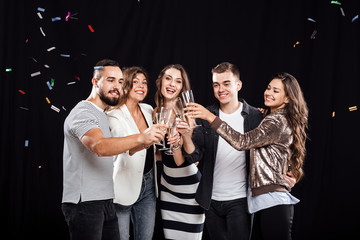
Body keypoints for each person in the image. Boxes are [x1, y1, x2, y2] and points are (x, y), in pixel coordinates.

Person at [186, 72, 308, 240]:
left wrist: (209, 117)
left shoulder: (276, 121)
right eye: (268, 88)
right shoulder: (268, 118)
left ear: (288, 98)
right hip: (263, 200)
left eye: (276, 91)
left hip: (273, 200)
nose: (269, 93)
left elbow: (242, 142)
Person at [61, 59, 165, 240]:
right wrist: (142, 136)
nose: (116, 86)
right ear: (95, 82)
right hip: (84, 202)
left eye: (120, 81)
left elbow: (122, 150)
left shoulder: (102, 113)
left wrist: (147, 142)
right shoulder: (83, 112)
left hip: (106, 200)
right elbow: (99, 147)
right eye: (110, 80)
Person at [154, 64, 205, 239]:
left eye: (178, 81)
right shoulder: (154, 112)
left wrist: (177, 143)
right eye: (168, 78)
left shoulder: (187, 114)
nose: (172, 84)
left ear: (182, 87)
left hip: (188, 185)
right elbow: (160, 154)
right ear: (161, 81)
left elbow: (181, 159)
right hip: (167, 185)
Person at [106, 66, 158, 240]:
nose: (141, 86)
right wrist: (145, 140)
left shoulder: (148, 110)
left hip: (149, 184)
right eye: (135, 82)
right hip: (123, 184)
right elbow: (124, 148)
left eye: (144, 82)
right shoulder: (113, 114)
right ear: (126, 85)